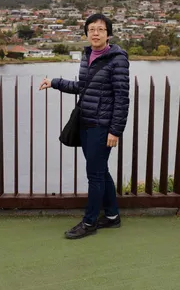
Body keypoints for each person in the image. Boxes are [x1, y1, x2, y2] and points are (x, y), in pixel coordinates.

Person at [39, 13, 130, 239]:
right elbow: (84, 87)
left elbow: (122, 97)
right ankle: (112, 216)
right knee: (100, 171)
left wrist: (115, 131)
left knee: (95, 175)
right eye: (91, 29)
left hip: (102, 126)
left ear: (108, 33)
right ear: (87, 33)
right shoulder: (87, 55)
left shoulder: (117, 59)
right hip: (86, 122)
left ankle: (89, 222)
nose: (95, 33)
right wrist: (55, 83)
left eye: (100, 29)